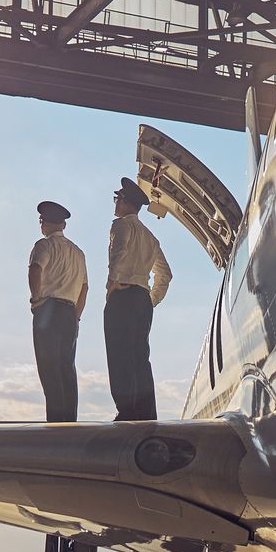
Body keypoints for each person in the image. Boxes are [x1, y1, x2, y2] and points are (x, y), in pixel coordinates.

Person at [103, 175, 172, 421]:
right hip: (142, 297)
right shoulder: (150, 237)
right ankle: (145, 413)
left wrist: (113, 285)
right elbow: (165, 274)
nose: (115, 203)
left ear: (125, 201)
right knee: (140, 357)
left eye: (117, 198)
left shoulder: (120, 225)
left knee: (119, 354)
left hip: (123, 293)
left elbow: (119, 254)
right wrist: (150, 299)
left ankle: (127, 411)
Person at [27, 199, 87, 422]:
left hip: (49, 308)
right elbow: (84, 287)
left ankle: (56, 422)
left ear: (44, 223)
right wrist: (77, 315)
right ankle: (70, 420)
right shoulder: (78, 252)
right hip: (70, 311)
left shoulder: (43, 246)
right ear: (63, 224)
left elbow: (35, 270)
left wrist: (36, 299)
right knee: (66, 368)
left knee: (49, 369)